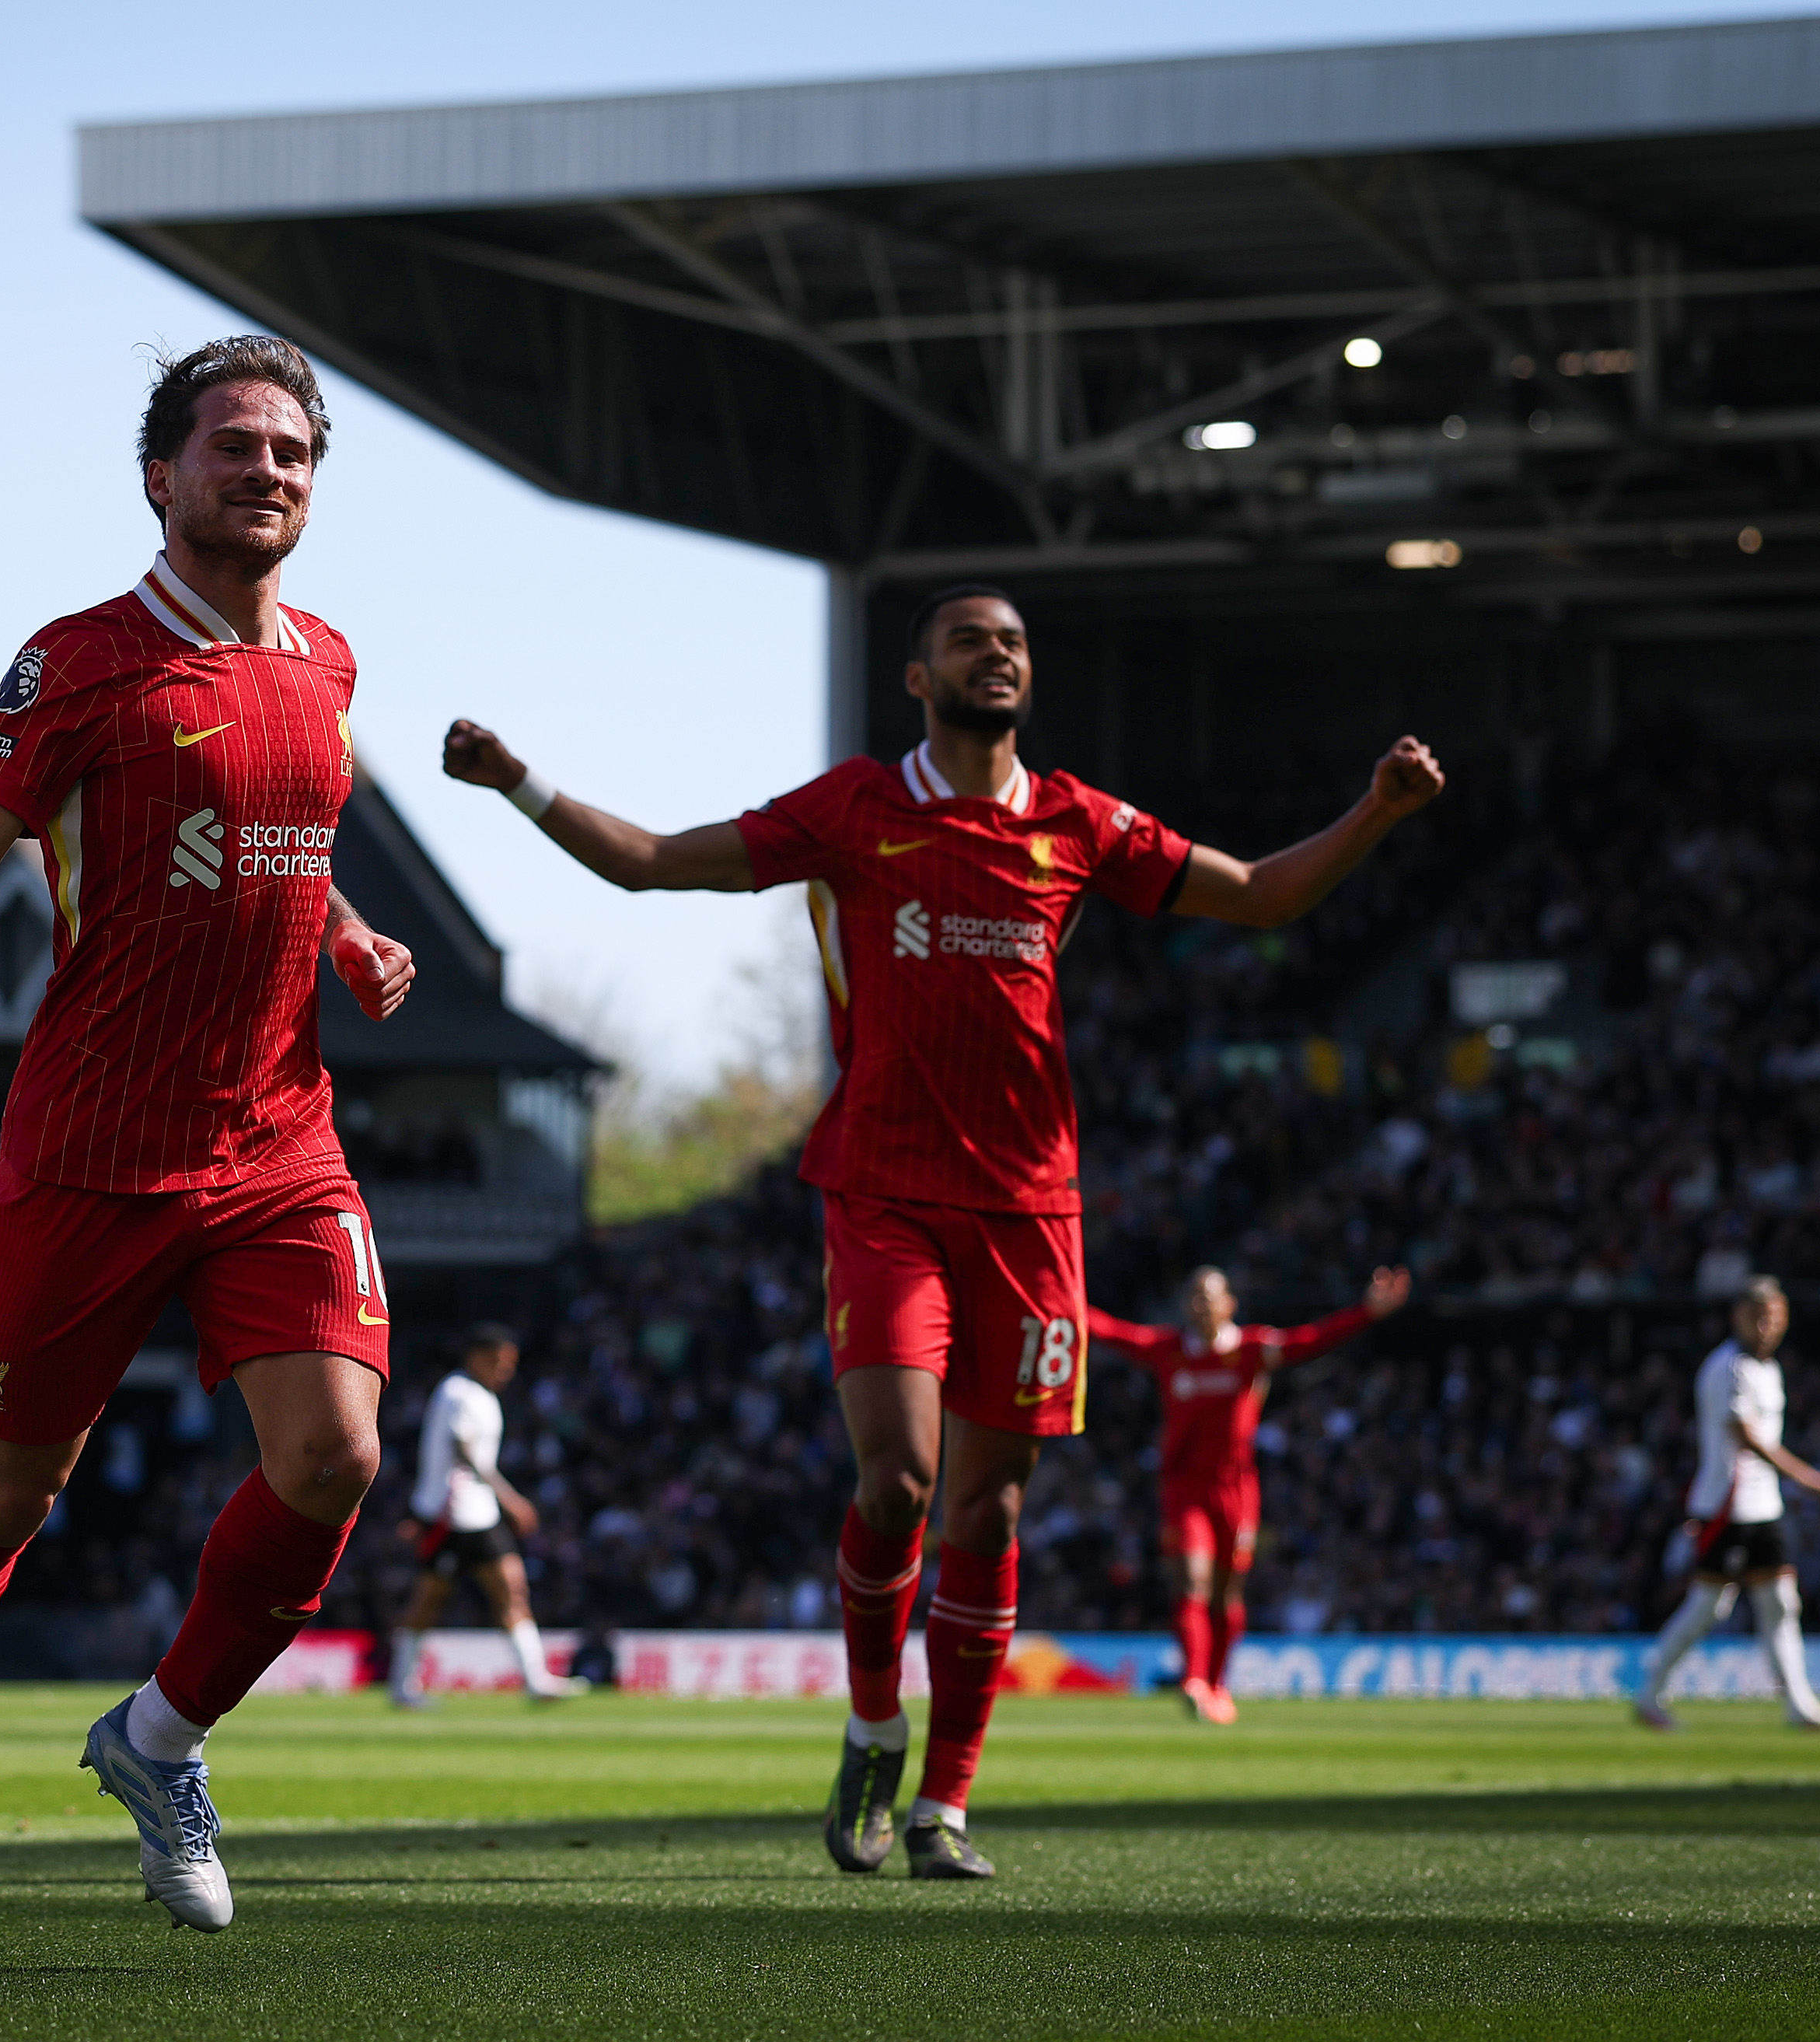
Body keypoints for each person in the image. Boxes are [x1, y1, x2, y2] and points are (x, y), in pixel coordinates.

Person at [446, 583, 1441, 1881]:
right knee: (901, 1476)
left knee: (989, 1508)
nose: (998, 655)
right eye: (970, 640)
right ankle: (873, 1721)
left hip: (1033, 1211)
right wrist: (521, 781)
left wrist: (1378, 812)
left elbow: (1257, 894)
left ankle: (946, 1805)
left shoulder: (1077, 820)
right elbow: (649, 862)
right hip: (885, 1187)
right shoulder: (857, 807)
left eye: (1016, 642)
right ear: (917, 677)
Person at [0, 334, 415, 1958]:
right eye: (233, 445)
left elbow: (281, 842)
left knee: (335, 1455)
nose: (266, 469)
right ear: (160, 476)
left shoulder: (333, 664)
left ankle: (157, 1739)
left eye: (291, 450)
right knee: (0, 1496)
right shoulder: (72, 662)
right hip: (90, 1146)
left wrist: (341, 934)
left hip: (277, 1138)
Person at [1086, 1265, 1409, 1722]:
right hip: (1186, 1489)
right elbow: (1112, 1332)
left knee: (1227, 1593)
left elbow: (1310, 1341)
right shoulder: (1170, 1351)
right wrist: (1061, 1300)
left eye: (1209, 1296)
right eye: (1193, 1297)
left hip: (1236, 1490)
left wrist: (1366, 1313)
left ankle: (1219, 1685)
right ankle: (1194, 1680)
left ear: (1229, 1305)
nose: (1200, 1305)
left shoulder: (1252, 1350)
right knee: (1193, 1580)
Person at [1635, 1278, 1820, 1735]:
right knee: (1709, 1608)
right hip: (1726, 1507)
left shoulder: (1768, 1369)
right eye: (1760, 1317)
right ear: (1738, 1316)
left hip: (1763, 1507)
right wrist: (1810, 1479)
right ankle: (1650, 1693)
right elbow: (1746, 1438)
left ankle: (1799, 1705)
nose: (1768, 1327)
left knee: (1780, 1601)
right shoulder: (1728, 1368)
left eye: (1776, 1318)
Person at [388, 1323, 587, 1706]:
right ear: (478, 1357)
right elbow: (463, 1450)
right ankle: (402, 1686)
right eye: (500, 1362)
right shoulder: (459, 1393)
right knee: (430, 1600)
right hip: (451, 1515)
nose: (506, 1371)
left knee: (510, 1587)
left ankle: (535, 1680)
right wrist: (510, 1498)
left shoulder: (479, 1394)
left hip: (477, 1514)